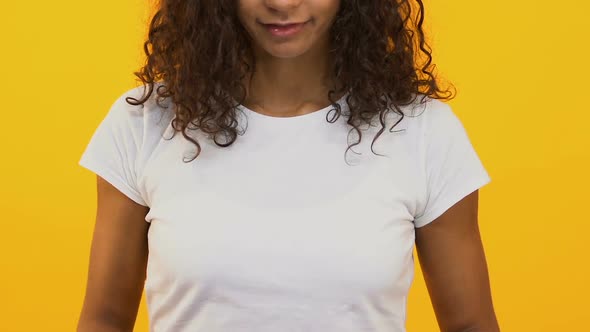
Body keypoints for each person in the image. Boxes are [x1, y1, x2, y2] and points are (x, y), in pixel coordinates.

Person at [76, 1, 500, 331]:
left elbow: (470, 325)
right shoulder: (146, 122)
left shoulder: (422, 131)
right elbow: (105, 321)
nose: (282, 3)